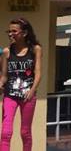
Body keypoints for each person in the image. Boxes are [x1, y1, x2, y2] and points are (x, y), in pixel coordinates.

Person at [0, 18, 42, 151]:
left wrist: (32, 91)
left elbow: (38, 73)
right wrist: (0, 84)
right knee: (6, 133)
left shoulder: (35, 49)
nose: (10, 34)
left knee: (25, 133)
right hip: (10, 95)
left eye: (14, 31)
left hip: (27, 97)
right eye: (9, 31)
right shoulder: (7, 51)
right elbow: (4, 75)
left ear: (24, 33)